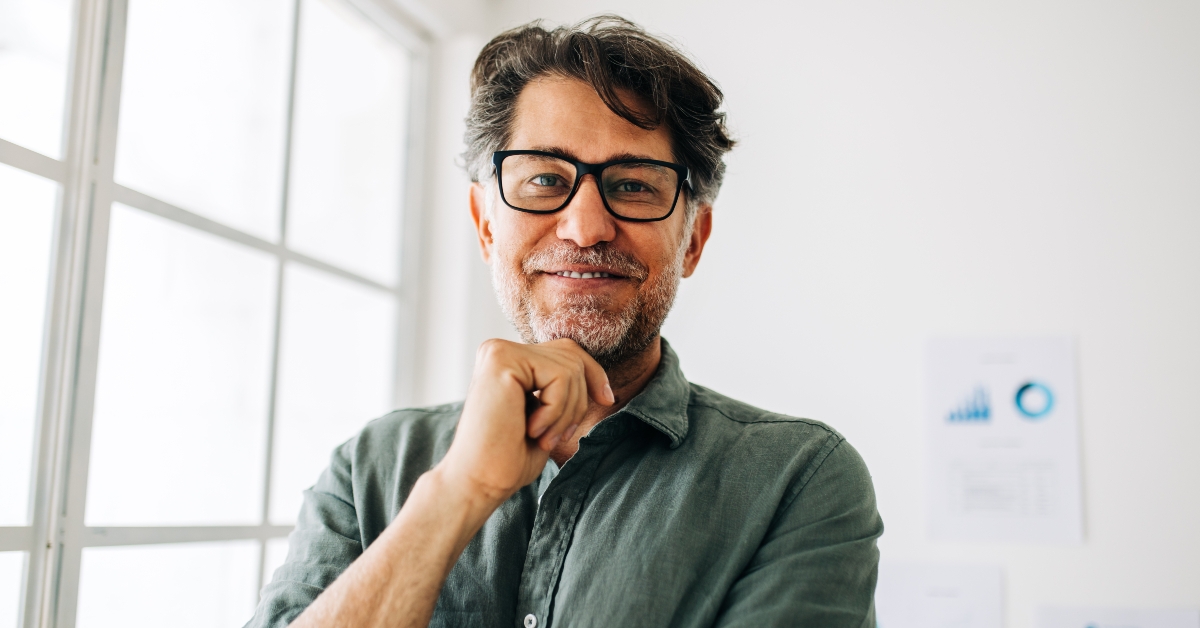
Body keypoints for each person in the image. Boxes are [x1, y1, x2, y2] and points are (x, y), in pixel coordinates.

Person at [246, 15, 882, 628]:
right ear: (486, 224)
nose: (585, 228)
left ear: (693, 240)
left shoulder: (798, 480)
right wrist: (457, 495)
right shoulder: (369, 471)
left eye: (634, 185)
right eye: (546, 179)